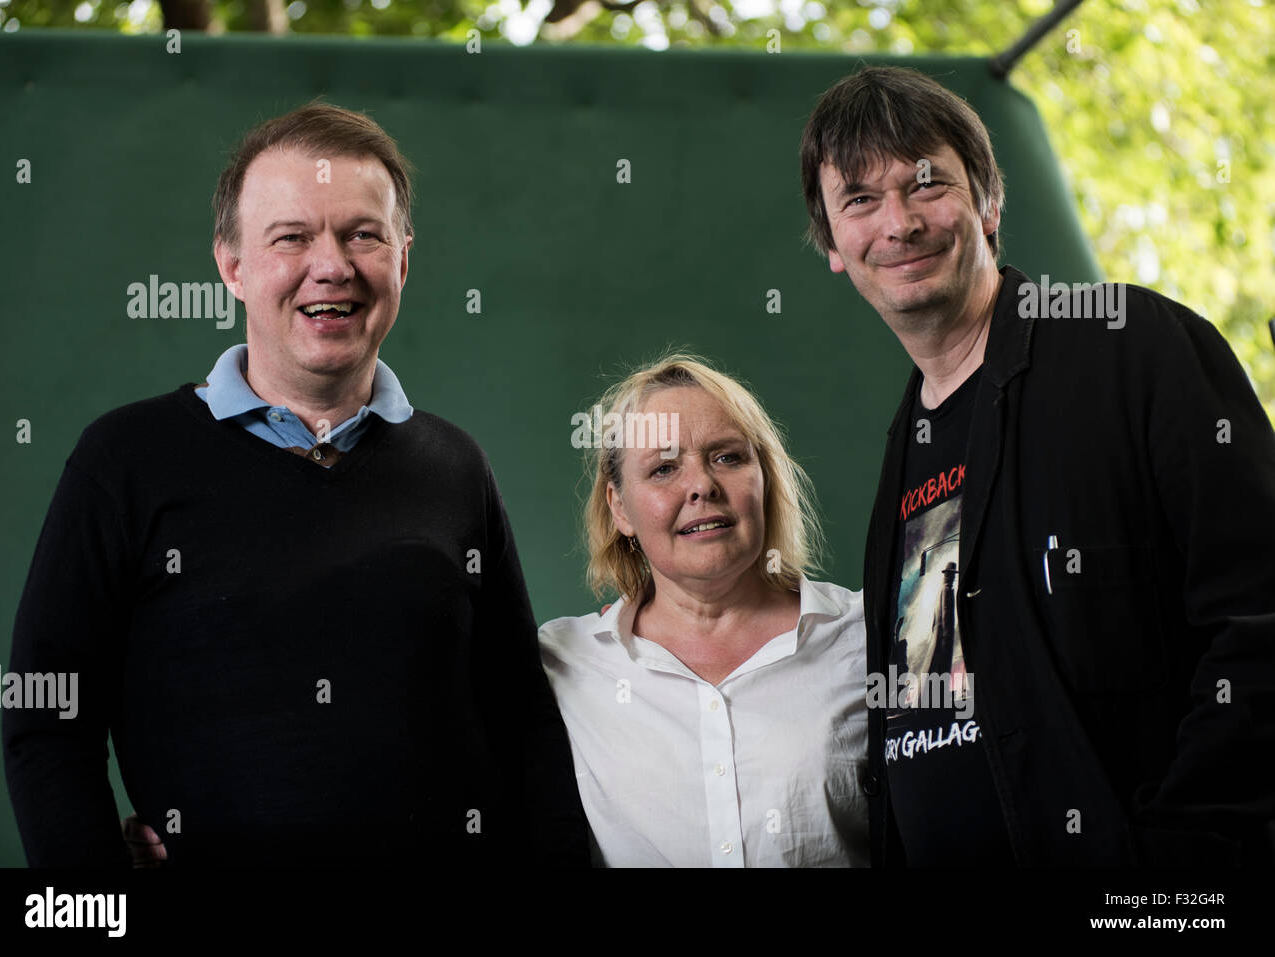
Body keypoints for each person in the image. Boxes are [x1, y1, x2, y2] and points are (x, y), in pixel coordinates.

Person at [3, 103, 588, 867]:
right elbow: (46, 720)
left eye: (362, 235)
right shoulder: (124, 459)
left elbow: (522, 722)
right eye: (292, 237)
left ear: (402, 260)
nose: (333, 265)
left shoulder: (455, 466)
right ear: (233, 266)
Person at [800, 65, 1275, 866]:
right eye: (860, 199)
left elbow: (1259, 621)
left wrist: (1174, 868)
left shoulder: (1134, 349)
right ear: (835, 248)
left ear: (988, 203)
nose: (900, 222)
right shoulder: (905, 448)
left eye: (926, 185)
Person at [538, 355, 869, 866]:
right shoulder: (561, 666)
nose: (702, 486)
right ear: (620, 508)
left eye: (728, 457)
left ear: (765, 478)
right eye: (664, 468)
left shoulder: (869, 638)